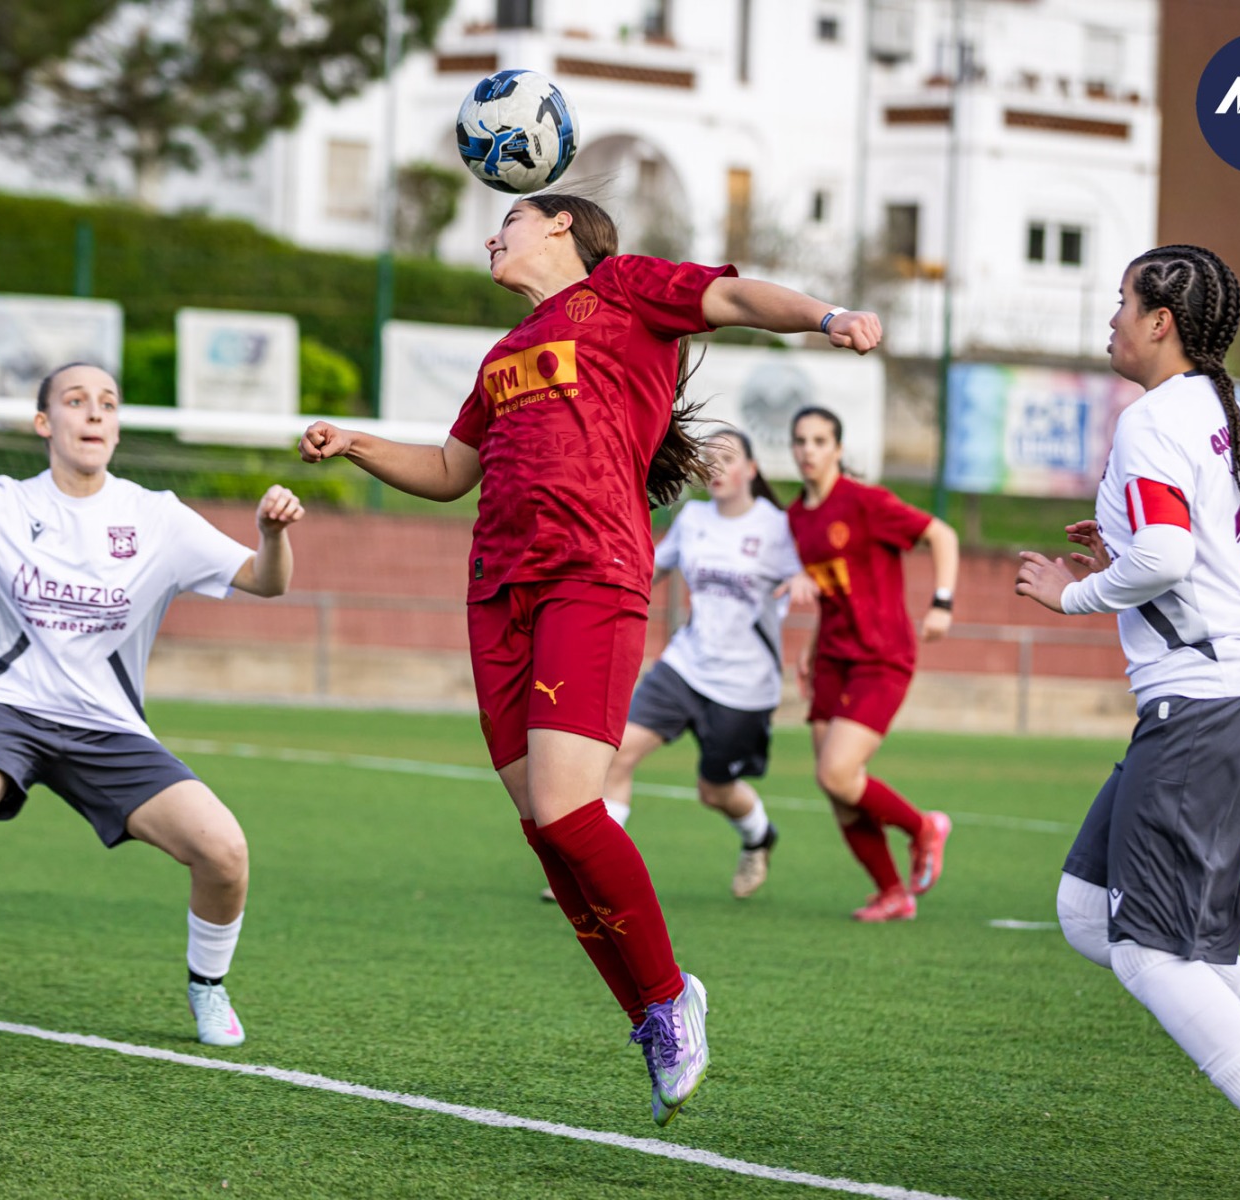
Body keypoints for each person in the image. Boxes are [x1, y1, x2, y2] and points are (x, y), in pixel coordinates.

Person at [299, 193, 882, 1125]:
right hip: (497, 593)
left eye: (509, 221)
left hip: (591, 575)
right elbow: (451, 472)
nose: (492, 236)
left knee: (572, 811)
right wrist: (356, 442)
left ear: (560, 227)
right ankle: (651, 1013)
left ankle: (671, 996)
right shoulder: (502, 354)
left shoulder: (625, 289)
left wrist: (827, 316)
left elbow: (735, 299)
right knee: (544, 825)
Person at [1016, 244, 1240, 1200]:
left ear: (1161, 321)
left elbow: (1168, 557)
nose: (1113, 319)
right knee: (1088, 910)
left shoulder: (1152, 418)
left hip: (1208, 708)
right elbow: (1207, 555)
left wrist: (1073, 595)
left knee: (1147, 949)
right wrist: (1119, 552)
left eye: (1123, 302)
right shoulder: (1236, 417)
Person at [0, 362, 304, 1050]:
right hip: (7, 709)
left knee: (224, 850)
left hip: (108, 727)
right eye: (76, 401)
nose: (94, 413)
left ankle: (208, 986)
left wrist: (271, 532)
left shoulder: (157, 517)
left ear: (117, 427)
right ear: (44, 423)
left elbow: (266, 581)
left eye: (107, 403)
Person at [552, 428, 813, 904]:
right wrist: (597, 583)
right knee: (618, 754)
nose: (715, 467)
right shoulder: (693, 519)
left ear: (751, 470)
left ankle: (759, 836)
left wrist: (802, 577)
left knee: (715, 790)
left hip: (744, 685)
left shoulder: (778, 528)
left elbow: (816, 570)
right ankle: (597, 874)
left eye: (727, 459)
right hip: (684, 667)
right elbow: (648, 568)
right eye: (708, 458)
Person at [785, 406, 958, 923]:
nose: (808, 450)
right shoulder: (797, 517)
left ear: (838, 449)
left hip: (880, 656)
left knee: (837, 773)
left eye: (820, 441)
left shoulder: (864, 502)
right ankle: (892, 893)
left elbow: (942, 534)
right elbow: (835, 590)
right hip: (831, 657)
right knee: (836, 788)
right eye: (800, 441)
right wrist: (811, 647)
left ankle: (923, 827)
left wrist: (942, 603)